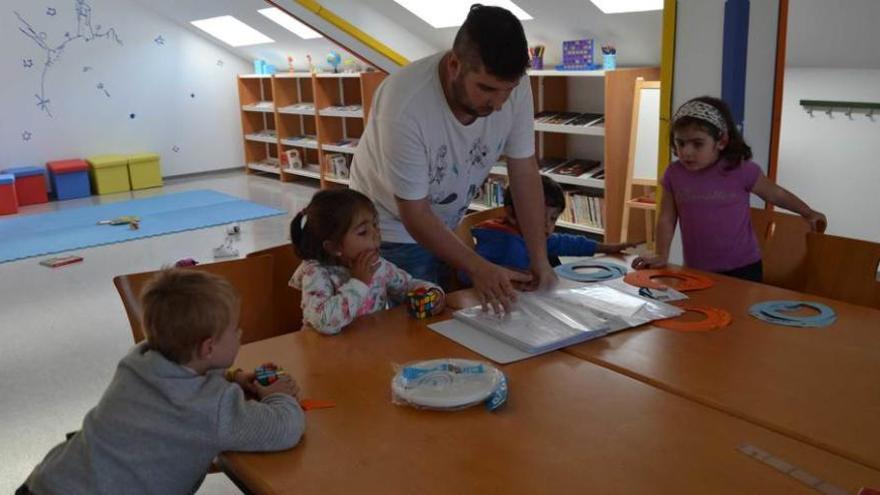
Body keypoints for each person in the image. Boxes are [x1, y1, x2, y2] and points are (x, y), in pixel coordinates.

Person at [19, 269, 304, 495]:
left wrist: (233, 378)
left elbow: (183, 382)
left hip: (50, 482)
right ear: (208, 348)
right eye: (234, 330)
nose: (240, 334)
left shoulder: (137, 361)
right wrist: (279, 396)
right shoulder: (210, 408)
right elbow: (284, 428)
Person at [350, 4, 556, 314]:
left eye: (507, 91)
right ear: (454, 64)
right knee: (412, 331)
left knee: (447, 316)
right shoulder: (404, 106)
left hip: (445, 223)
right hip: (391, 230)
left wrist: (539, 257)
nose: (499, 104)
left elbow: (524, 171)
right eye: (486, 89)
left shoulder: (515, 84)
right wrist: (478, 267)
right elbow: (415, 213)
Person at [632, 96, 827, 282]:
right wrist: (661, 254)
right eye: (680, 143)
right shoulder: (674, 174)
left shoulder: (740, 170)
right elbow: (666, 218)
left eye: (697, 144)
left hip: (744, 268)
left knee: (738, 313)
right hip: (697, 268)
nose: (686, 152)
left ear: (721, 142)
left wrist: (807, 211)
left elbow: (775, 193)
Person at [289, 189, 445, 335]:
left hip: (366, 348)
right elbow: (324, 322)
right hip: (324, 355)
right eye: (363, 232)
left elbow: (407, 286)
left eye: (375, 224)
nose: (376, 233)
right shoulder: (315, 273)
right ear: (333, 247)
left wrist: (432, 292)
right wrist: (359, 283)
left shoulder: (377, 265)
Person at [472, 175, 636, 272]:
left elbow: (567, 243)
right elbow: (466, 275)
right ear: (511, 214)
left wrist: (607, 248)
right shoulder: (503, 242)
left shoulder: (532, 237)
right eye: (538, 217)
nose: (546, 226)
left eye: (552, 219)